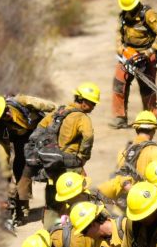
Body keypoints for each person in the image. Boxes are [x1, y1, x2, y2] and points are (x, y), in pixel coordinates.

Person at [18, 82, 99, 215]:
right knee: (77, 194)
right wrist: (83, 157)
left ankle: (50, 222)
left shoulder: (58, 111)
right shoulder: (82, 118)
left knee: (53, 194)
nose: (94, 106)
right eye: (92, 103)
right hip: (70, 163)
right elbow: (88, 136)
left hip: (51, 160)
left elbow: (39, 129)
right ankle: (76, 219)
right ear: (83, 101)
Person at [0, 94, 57, 229]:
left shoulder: (23, 101)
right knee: (21, 169)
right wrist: (6, 177)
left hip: (41, 133)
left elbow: (52, 107)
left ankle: (58, 202)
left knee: (53, 163)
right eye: (3, 116)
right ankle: (22, 209)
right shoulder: (1, 127)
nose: (7, 115)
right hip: (22, 141)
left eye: (6, 110)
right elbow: (3, 153)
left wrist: (59, 119)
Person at [112, 0, 157, 129]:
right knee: (119, 84)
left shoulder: (148, 14)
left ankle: (152, 115)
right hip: (127, 54)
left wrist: (149, 52)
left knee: (147, 87)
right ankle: (119, 118)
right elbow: (119, 33)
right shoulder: (123, 15)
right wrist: (120, 48)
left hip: (145, 54)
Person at [97, 111, 157, 203]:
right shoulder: (154, 151)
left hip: (127, 201)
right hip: (147, 200)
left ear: (136, 129)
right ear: (153, 130)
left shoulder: (124, 151)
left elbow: (120, 174)